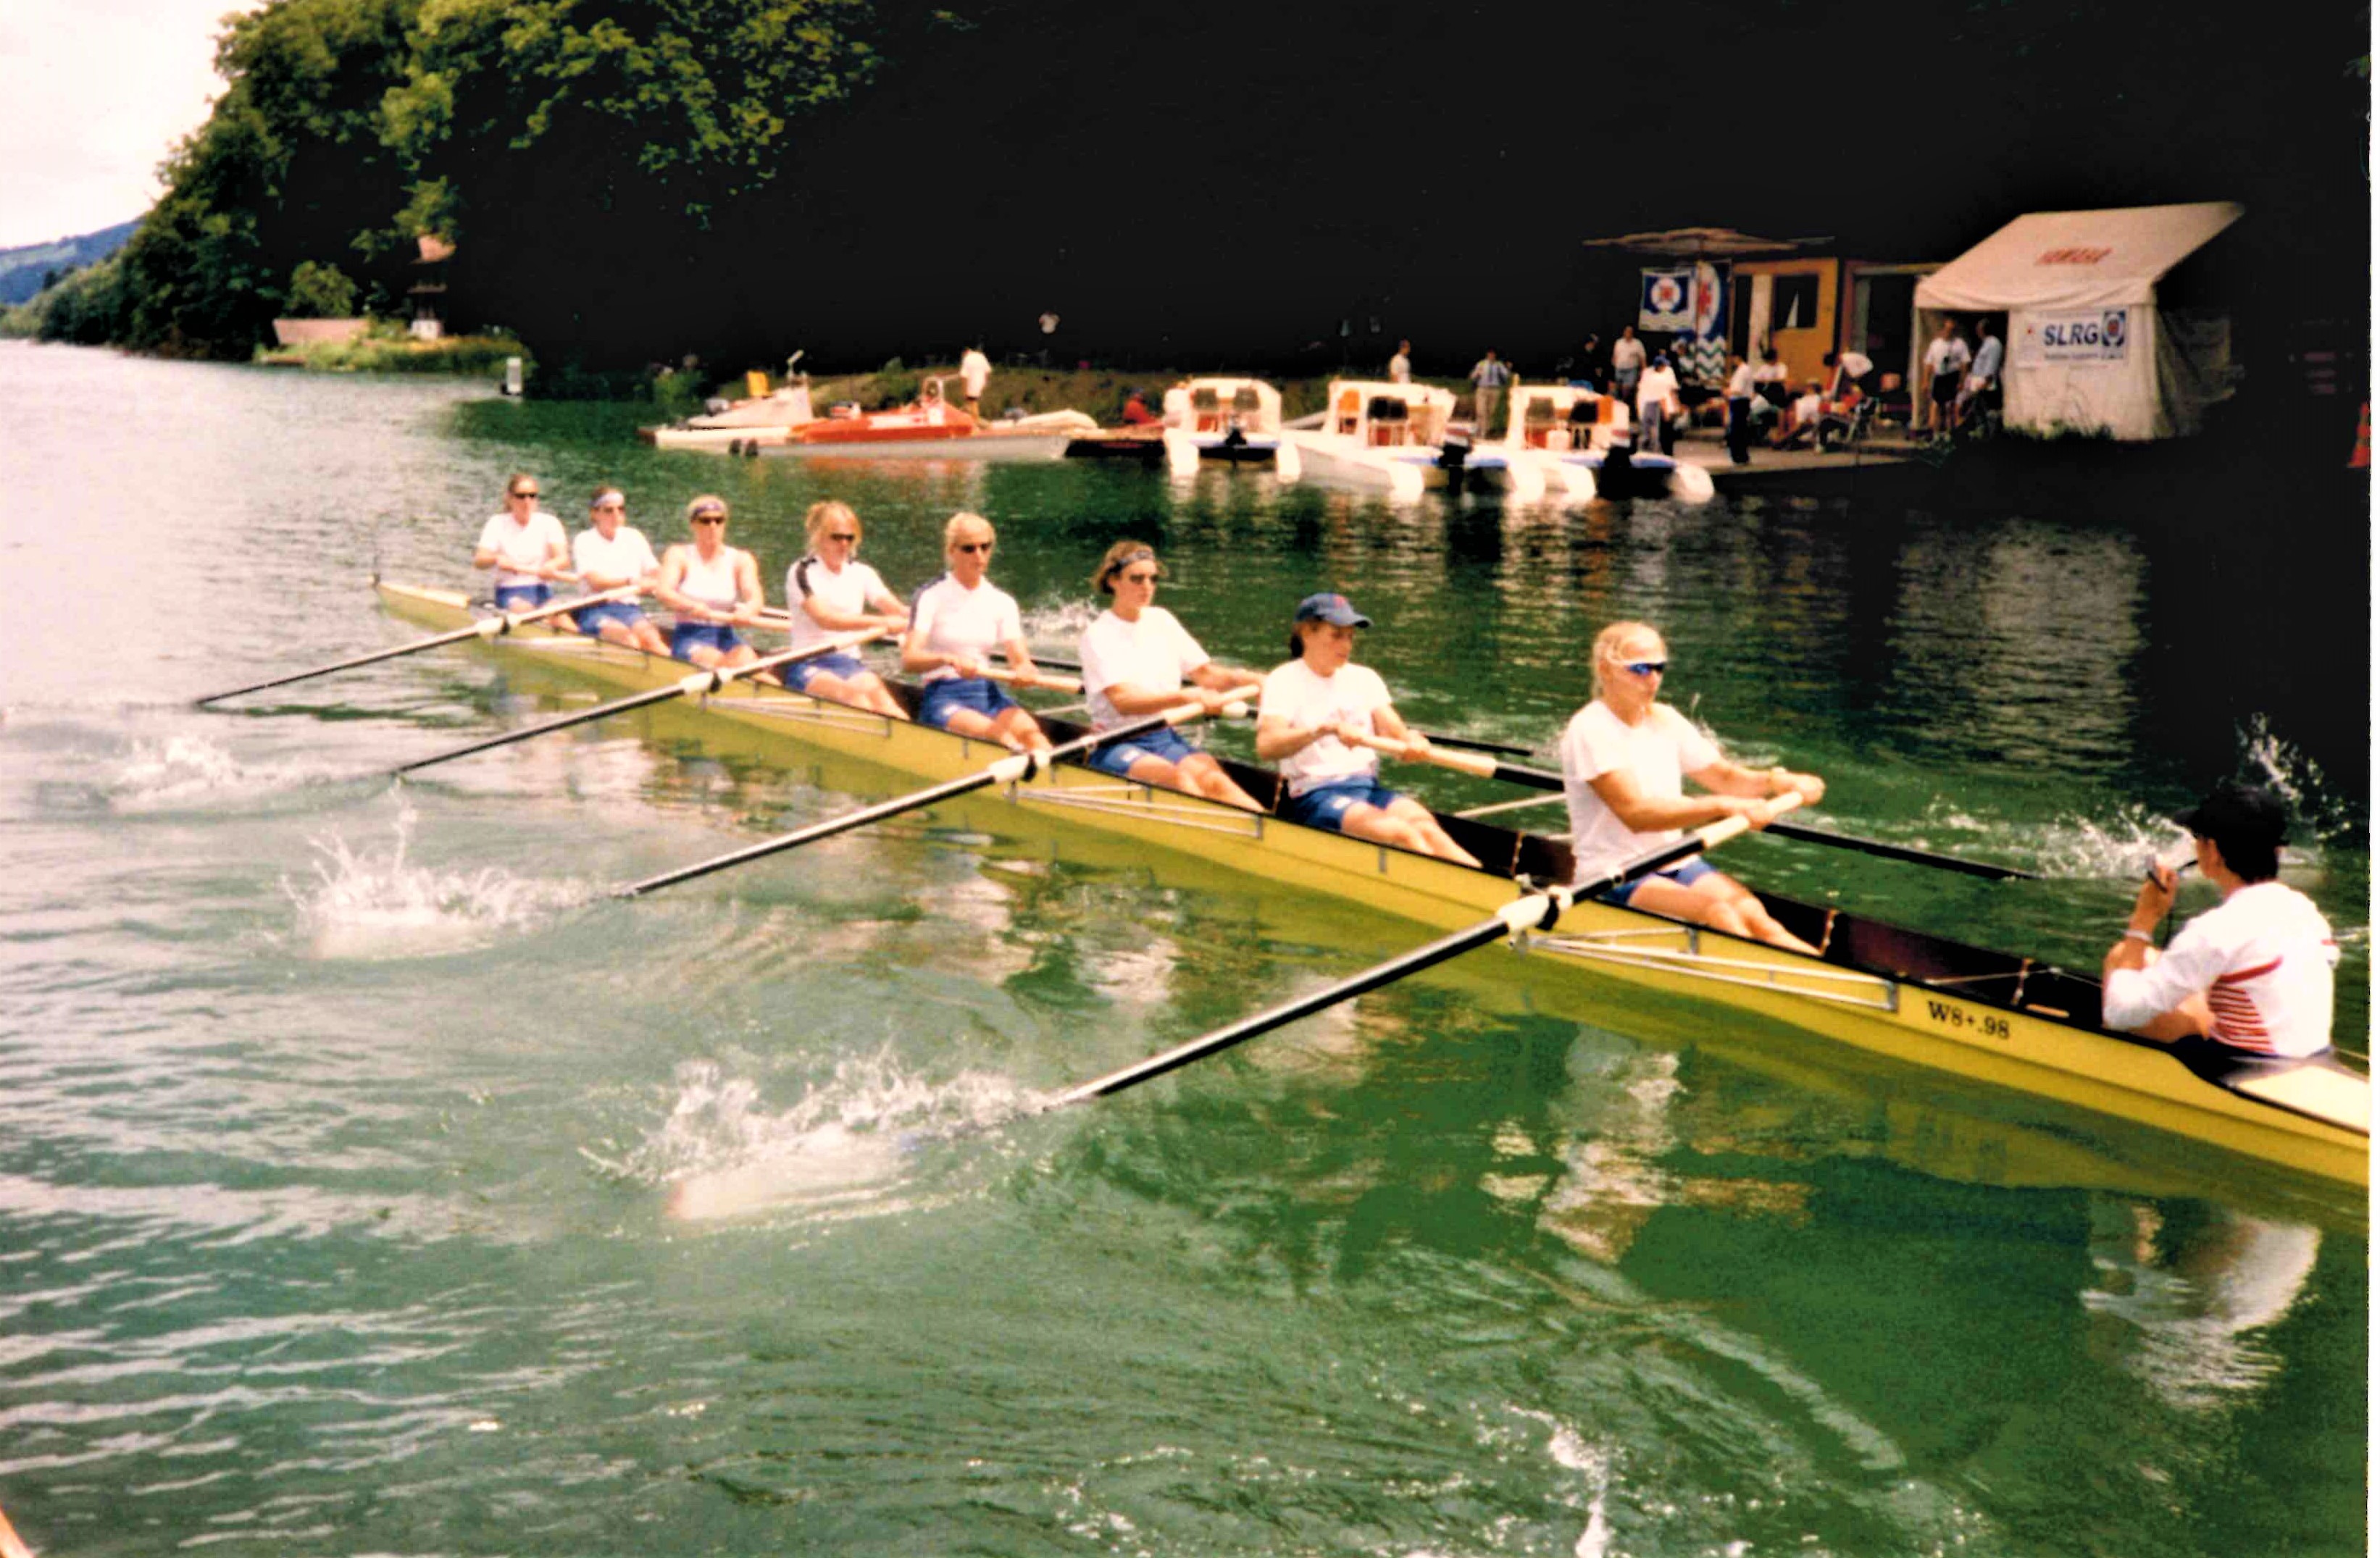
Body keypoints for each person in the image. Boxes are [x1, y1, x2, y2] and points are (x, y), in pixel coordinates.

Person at [1558, 621, 1824, 950]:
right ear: (1606, 670)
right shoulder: (1591, 729)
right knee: (1719, 914)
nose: (1653, 679)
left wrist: (1780, 781)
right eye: (1640, 669)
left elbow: (1725, 778)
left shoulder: (1664, 718)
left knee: (1758, 918)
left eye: (1659, 668)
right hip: (1615, 874)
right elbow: (1636, 814)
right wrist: (1721, 806)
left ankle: (1851, 997)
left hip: (1676, 861)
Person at [2100, 781, 2339, 1057]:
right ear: (2277, 852)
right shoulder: (2308, 912)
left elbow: (2119, 1013)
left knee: (2123, 957)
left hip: (2246, 1071)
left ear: (2212, 852)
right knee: (2165, 970)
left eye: (2197, 840)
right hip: (2313, 1058)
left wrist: (2143, 922)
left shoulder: (2215, 930)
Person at [1256, 594, 1482, 866]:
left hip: (1367, 788)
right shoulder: (1284, 680)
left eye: (1350, 636)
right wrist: (1321, 730)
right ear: (1306, 632)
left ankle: (1495, 890)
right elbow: (1267, 746)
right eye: (1336, 635)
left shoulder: (1364, 678)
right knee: (1404, 835)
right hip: (1316, 795)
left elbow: (1395, 731)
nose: (1346, 645)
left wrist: (1411, 740)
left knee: (1427, 828)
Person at [1077, 542, 1264, 811]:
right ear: (1113, 580)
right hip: (1115, 741)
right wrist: (1184, 697)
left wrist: (1248, 679)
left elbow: (1205, 674)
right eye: (1137, 578)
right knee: (1180, 780)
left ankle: (1268, 829)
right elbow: (1123, 701)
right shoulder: (1098, 634)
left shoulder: (1162, 620)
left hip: (1164, 736)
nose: (1147, 586)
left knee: (1217, 783)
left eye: (1152, 579)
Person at [901, 511, 1052, 753]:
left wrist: (1024, 670)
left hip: (988, 693)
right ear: (952, 551)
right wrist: (947, 659)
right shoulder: (931, 595)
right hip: (944, 696)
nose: (979, 555)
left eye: (985, 547)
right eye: (969, 549)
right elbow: (909, 659)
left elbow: (1020, 658)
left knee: (1036, 739)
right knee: (1001, 738)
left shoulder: (1003, 601)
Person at [782, 499, 909, 718]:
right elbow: (825, 619)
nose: (844, 544)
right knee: (857, 701)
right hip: (808, 662)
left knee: (890, 709)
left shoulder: (862, 573)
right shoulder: (801, 572)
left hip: (847, 662)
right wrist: (883, 623)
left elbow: (896, 609)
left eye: (849, 537)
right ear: (819, 537)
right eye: (836, 537)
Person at [653, 494, 765, 671]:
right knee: (717, 661)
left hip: (725, 634)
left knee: (747, 657)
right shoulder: (679, 555)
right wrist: (690, 606)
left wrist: (749, 610)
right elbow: (664, 592)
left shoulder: (741, 559)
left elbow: (754, 596)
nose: (712, 526)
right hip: (690, 634)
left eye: (718, 520)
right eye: (705, 521)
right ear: (693, 524)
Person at [567, 487, 669, 654]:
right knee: (628, 640)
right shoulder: (584, 540)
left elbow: (655, 570)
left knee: (652, 640)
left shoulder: (634, 537)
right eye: (609, 510)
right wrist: (631, 581)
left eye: (620, 509)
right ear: (595, 514)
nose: (616, 514)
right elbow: (596, 582)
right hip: (595, 608)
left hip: (629, 609)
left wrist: (668, 580)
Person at [473, 473, 570, 611]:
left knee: (560, 615)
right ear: (510, 498)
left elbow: (563, 559)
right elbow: (479, 561)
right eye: (521, 496)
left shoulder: (550, 523)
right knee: (524, 609)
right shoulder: (497, 523)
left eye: (532, 496)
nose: (527, 501)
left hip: (541, 589)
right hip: (510, 590)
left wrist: (551, 565)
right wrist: (496, 558)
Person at [1921, 319, 1971, 442]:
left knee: (1950, 407)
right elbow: (1929, 363)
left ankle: (1950, 433)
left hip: (1952, 376)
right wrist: (1925, 381)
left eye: (1952, 330)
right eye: (1947, 329)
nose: (1949, 332)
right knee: (1936, 405)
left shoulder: (1960, 344)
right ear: (1942, 330)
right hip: (1939, 376)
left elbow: (1965, 364)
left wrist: (1961, 381)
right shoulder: (1936, 344)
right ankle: (1934, 433)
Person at [1956, 319, 2003, 431]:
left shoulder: (1993, 343)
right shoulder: (1986, 342)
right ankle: (1962, 427)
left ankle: (1983, 431)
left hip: (1984, 381)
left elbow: (1992, 363)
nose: (1977, 331)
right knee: (1964, 402)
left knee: (1983, 409)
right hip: (1976, 380)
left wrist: (1986, 381)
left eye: (1979, 329)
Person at [1634, 353, 1682, 455]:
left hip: (1664, 404)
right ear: (1658, 366)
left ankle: (1666, 452)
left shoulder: (1668, 372)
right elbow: (1659, 396)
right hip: (1653, 403)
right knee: (1652, 431)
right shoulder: (1649, 375)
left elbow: (1672, 390)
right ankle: (1651, 451)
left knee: (1665, 431)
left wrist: (1676, 405)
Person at [1722, 351, 1757, 465]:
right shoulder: (1743, 370)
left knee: (1737, 430)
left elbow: (1738, 390)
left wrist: (1727, 392)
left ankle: (1738, 456)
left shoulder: (1743, 371)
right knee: (1739, 430)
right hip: (1740, 402)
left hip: (1739, 402)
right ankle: (1741, 456)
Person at [1768, 380, 1825, 450]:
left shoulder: (1807, 401)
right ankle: (1785, 439)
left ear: (1811, 388)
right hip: (1808, 424)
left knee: (1787, 414)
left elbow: (1800, 424)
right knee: (1783, 412)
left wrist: (1782, 438)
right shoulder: (1813, 399)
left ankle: (1782, 440)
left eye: (1807, 387)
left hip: (1808, 426)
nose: (1805, 389)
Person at [1468, 349, 1511, 436]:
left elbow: (1506, 375)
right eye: (1490, 354)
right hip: (1482, 389)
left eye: (1493, 354)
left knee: (1491, 411)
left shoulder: (1499, 365)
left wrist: (1507, 368)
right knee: (1481, 410)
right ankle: (1482, 431)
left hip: (1494, 390)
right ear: (1487, 354)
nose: (1491, 355)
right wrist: (1476, 374)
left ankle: (1487, 430)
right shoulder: (1482, 364)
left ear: (1495, 355)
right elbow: (1473, 376)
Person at [1610, 326, 1646, 409]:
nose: (1628, 333)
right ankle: (1618, 405)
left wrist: (1644, 371)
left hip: (1631, 369)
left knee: (1627, 388)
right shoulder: (1619, 342)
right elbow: (1615, 356)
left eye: (1630, 332)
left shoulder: (1637, 343)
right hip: (1619, 369)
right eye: (1626, 331)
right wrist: (1613, 369)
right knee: (1617, 389)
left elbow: (1642, 358)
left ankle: (1624, 403)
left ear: (1632, 333)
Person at [959, 343, 992, 419]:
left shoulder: (967, 359)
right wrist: (985, 382)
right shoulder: (981, 356)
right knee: (970, 403)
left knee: (973, 402)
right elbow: (988, 371)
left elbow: (964, 377)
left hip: (972, 384)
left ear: (964, 353)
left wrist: (964, 391)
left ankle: (974, 424)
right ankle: (967, 416)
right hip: (981, 382)